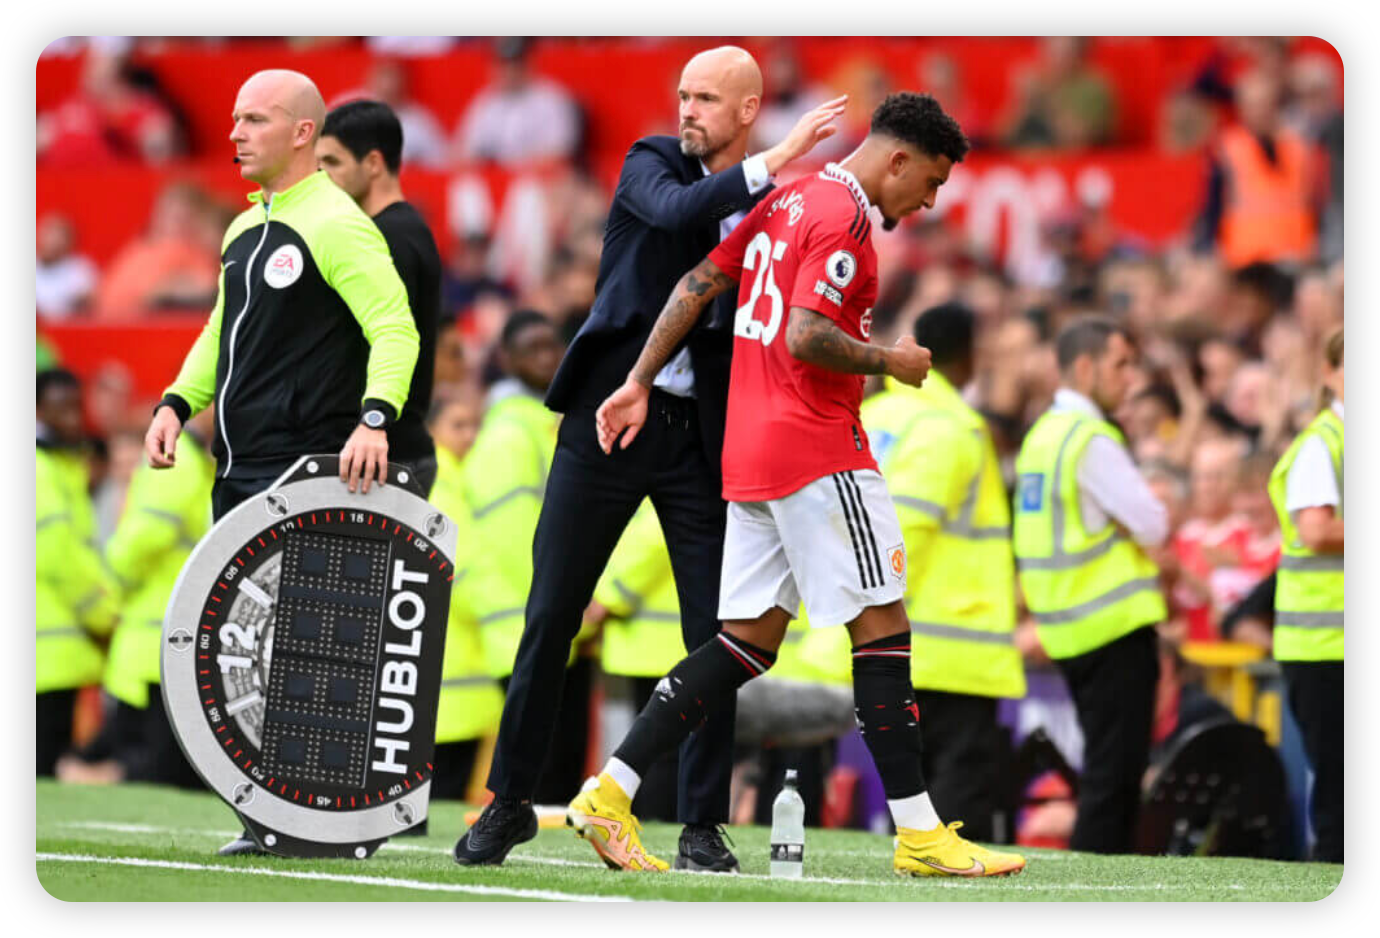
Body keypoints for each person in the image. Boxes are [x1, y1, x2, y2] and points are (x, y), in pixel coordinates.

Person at [573, 92, 1026, 878]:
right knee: (882, 630)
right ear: (897, 158)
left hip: (748, 454)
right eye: (931, 182)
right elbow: (807, 334)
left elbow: (696, 283)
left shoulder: (788, 199)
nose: (927, 202)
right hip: (818, 450)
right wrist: (894, 361)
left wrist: (640, 379)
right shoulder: (844, 221)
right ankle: (920, 834)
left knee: (743, 645)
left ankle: (610, 792)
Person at [453, 45, 846, 874]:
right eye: (683, 94)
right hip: (607, 418)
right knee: (552, 613)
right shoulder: (650, 162)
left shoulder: (778, 204)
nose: (687, 110)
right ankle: (511, 802)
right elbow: (677, 215)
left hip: (699, 438)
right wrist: (777, 160)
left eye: (706, 98)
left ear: (746, 109)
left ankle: (701, 824)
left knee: (714, 633)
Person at [141, 69, 420, 856]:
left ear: (303, 133)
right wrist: (174, 401)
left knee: (304, 647)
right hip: (238, 464)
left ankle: (314, 819)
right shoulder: (244, 228)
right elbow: (219, 335)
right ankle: (275, 818)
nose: (235, 133)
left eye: (255, 120)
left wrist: (376, 419)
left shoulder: (334, 223)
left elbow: (394, 328)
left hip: (300, 466)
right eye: (233, 119)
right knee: (249, 651)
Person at [858, 301, 1026, 842]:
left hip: (885, 643)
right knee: (953, 812)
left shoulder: (873, 416)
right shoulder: (952, 427)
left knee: (905, 805)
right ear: (970, 357)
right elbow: (907, 533)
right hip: (954, 652)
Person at [1013, 316, 1169, 854]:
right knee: (1114, 778)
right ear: (1085, 366)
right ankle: (1094, 878)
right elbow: (1152, 521)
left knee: (1103, 772)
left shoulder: (1041, 436)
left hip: (1066, 630)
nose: (1131, 377)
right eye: (1121, 363)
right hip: (1113, 626)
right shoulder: (1091, 437)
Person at [318, 99, 442, 494]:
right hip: (391, 449)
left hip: (381, 454)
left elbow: (385, 342)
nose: (320, 177)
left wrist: (372, 423)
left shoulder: (386, 238)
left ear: (373, 163)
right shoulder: (405, 229)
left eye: (332, 163)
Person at [97, 408, 216, 788]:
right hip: (161, 650)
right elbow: (147, 536)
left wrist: (109, 584)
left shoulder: (188, 462)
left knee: (158, 780)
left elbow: (142, 539)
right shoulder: (182, 460)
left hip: (156, 646)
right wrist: (110, 583)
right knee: (160, 778)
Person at [409, 392, 505, 832]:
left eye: (475, 426)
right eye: (458, 425)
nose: (470, 436)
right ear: (431, 431)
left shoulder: (458, 480)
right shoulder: (443, 486)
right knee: (438, 795)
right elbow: (466, 571)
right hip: (451, 681)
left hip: (458, 677)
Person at [1267, 327, 1342, 864]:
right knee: (1339, 794)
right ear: (1332, 373)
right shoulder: (1322, 442)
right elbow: (1316, 530)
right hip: (1323, 646)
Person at [36, 368, 119, 776]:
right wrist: (100, 614)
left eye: (75, 407)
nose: (71, 417)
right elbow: (57, 557)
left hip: (56, 652)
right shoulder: (43, 470)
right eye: (59, 409)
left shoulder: (62, 466)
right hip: (49, 652)